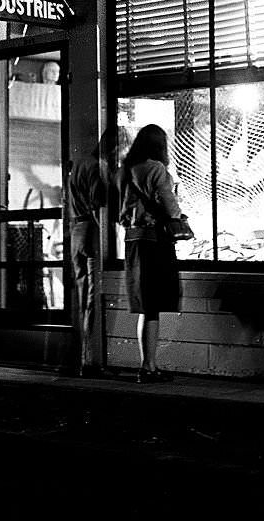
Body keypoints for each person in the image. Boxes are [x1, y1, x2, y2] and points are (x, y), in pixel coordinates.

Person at [118, 123, 188, 383]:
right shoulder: (156, 169)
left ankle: (147, 364)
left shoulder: (125, 171)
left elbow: (121, 213)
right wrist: (178, 218)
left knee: (147, 306)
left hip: (133, 242)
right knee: (156, 305)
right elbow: (169, 205)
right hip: (154, 241)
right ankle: (149, 367)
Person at [67, 127, 128, 378]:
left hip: (76, 231)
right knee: (94, 296)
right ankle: (92, 361)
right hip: (93, 232)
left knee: (83, 297)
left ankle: (83, 356)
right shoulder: (99, 167)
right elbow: (98, 207)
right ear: (116, 147)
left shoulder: (80, 163)